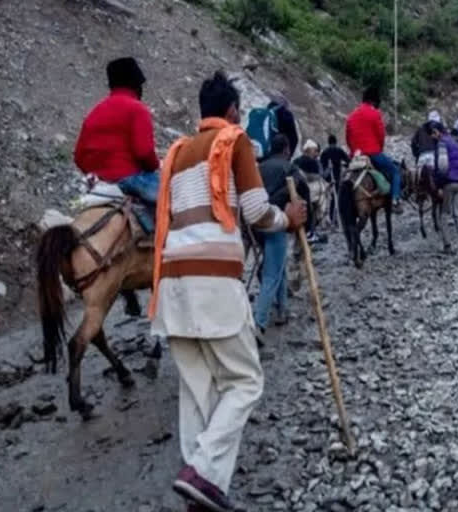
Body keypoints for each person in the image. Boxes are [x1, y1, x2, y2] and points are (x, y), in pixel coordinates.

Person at [149, 71, 306, 512]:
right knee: (245, 380)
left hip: (172, 282)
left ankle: (197, 489)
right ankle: (204, 474)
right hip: (213, 280)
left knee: (196, 389)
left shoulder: (177, 153)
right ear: (234, 111)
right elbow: (256, 211)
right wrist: (288, 217)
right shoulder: (234, 141)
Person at [75, 57, 160, 205]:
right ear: (137, 85)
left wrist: (99, 171)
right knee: (172, 202)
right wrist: (155, 165)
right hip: (129, 180)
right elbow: (144, 152)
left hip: (97, 185)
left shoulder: (94, 112)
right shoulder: (137, 109)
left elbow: (79, 157)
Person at [255, 134, 304, 333]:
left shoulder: (259, 167)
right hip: (277, 222)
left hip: (257, 223)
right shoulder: (288, 166)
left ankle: (283, 309)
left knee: (278, 266)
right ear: (285, 150)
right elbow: (299, 183)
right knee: (271, 275)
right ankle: (259, 323)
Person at [345, 85, 402, 213]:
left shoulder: (351, 116)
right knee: (395, 172)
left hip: (356, 156)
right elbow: (381, 135)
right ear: (374, 101)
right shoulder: (375, 113)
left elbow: (348, 138)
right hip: (373, 153)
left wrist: (353, 151)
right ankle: (395, 201)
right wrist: (379, 150)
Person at [428, 122, 458, 256]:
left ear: (437, 132)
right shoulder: (454, 143)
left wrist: (439, 185)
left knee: (444, 215)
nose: (431, 136)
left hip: (449, 182)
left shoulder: (442, 143)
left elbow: (442, 166)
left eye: (432, 133)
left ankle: (447, 245)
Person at [320, 134, 350, 224]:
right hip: (337, 177)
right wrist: (343, 165)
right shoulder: (339, 150)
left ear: (328, 142)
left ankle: (330, 217)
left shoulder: (324, 152)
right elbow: (348, 161)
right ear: (335, 142)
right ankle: (337, 218)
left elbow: (321, 167)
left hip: (327, 179)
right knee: (337, 197)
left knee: (330, 198)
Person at [411, 111, 442, 175]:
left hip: (422, 155)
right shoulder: (436, 130)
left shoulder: (420, 129)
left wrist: (416, 154)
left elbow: (413, 143)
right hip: (432, 155)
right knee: (432, 176)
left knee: (418, 179)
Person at [268, 96, 298, 160]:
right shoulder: (286, 115)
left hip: (261, 151)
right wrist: (289, 156)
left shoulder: (265, 113)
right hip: (278, 154)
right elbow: (294, 138)